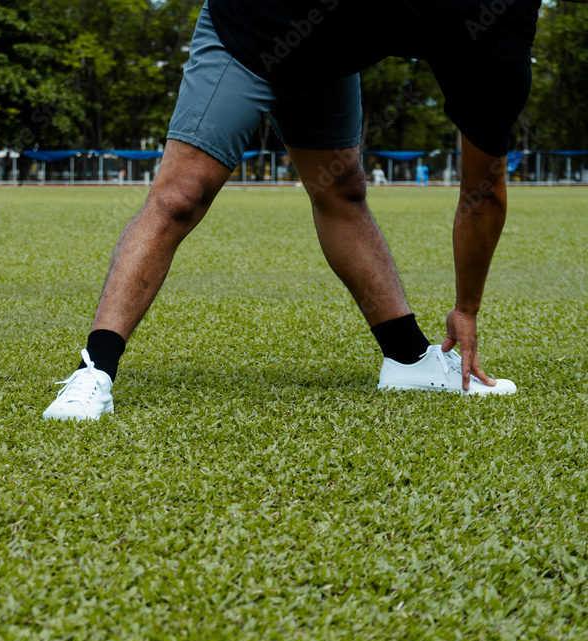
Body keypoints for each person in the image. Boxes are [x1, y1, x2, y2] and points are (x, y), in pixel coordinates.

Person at [44, 0, 538, 421]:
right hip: (251, 27)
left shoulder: (497, 22)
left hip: (329, 57)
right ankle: (95, 370)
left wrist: (467, 309)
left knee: (341, 191)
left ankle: (409, 361)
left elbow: (482, 192)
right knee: (181, 196)